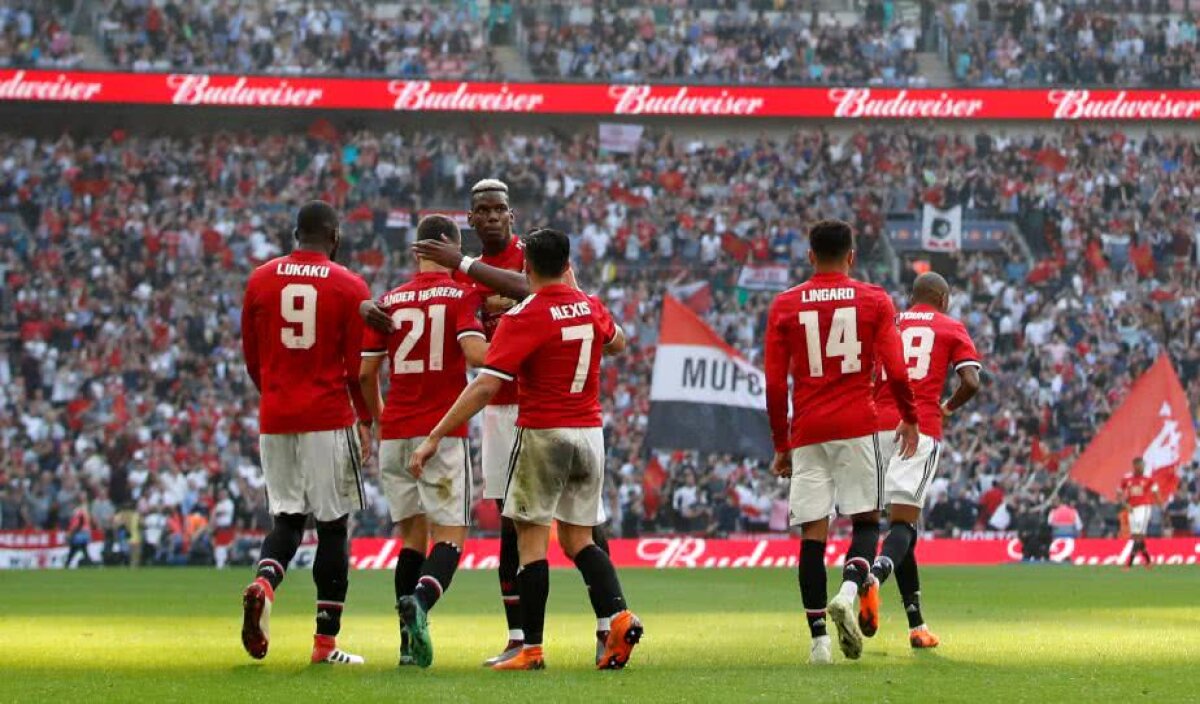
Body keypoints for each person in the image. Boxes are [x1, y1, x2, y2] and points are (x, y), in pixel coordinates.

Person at [399, 179, 611, 664]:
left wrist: (470, 270)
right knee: (513, 526)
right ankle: (519, 637)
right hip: (500, 406)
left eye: (500, 209)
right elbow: (467, 338)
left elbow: (546, 293)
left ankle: (606, 623)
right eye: (483, 211)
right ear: (470, 221)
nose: (493, 217)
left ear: (511, 216)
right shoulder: (459, 281)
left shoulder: (531, 256)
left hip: (553, 405)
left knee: (584, 524)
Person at [763, 219, 919, 665]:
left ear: (810, 256)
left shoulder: (785, 305)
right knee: (867, 522)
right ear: (852, 256)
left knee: (813, 533)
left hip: (808, 431)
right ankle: (849, 593)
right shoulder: (874, 300)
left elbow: (775, 385)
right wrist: (909, 416)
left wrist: (781, 443)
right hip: (857, 425)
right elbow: (896, 369)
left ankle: (818, 644)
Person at [239, 200, 372, 665]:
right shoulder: (350, 285)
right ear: (334, 237)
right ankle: (325, 644)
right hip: (328, 417)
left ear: (296, 234)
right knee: (334, 528)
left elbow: (251, 358)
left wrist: (276, 394)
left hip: (276, 416)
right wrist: (367, 419)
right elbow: (357, 370)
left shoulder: (260, 279)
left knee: (287, 520)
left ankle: (264, 583)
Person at [358, 214, 488, 669]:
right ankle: (420, 602)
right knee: (450, 538)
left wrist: (379, 420)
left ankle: (405, 649)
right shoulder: (462, 294)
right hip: (442, 432)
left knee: (411, 539)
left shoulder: (388, 302)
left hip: (395, 431)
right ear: (452, 249)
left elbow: (365, 374)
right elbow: (475, 355)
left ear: (416, 251)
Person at [866, 271, 981, 649]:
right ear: (943, 298)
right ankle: (875, 576)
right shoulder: (950, 326)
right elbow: (971, 382)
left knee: (898, 526)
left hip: (875, 426)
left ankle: (917, 626)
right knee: (904, 523)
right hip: (918, 427)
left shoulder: (889, 322)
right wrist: (946, 408)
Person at [1119, 457, 1162, 570]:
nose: (1142, 468)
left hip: (1144, 508)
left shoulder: (1149, 478)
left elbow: (1156, 492)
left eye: (1143, 466)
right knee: (1136, 536)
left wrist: (1160, 504)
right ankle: (1148, 562)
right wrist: (1125, 504)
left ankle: (1129, 564)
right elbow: (1119, 494)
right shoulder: (1127, 479)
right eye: (1139, 466)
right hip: (1131, 509)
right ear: (1135, 466)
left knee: (1139, 536)